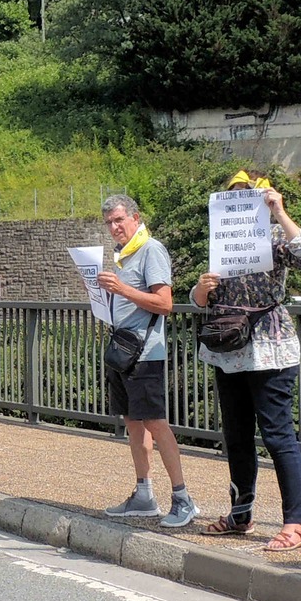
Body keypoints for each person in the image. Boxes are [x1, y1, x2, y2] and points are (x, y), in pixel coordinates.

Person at [189, 175, 301, 550]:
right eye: (232, 200)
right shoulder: (222, 247)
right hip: (228, 350)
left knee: (278, 436)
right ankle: (241, 513)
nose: (238, 205)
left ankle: (296, 524)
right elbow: (199, 301)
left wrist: (279, 212)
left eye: (245, 199)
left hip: (270, 347)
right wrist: (202, 289)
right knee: (237, 436)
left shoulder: (275, 242)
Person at [96, 194, 195, 528]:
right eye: (109, 222)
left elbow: (165, 303)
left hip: (146, 352)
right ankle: (144, 495)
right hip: (126, 349)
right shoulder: (125, 255)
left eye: (119, 220)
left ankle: (182, 498)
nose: (114, 227)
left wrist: (122, 290)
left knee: (154, 421)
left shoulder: (151, 249)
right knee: (133, 422)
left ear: (135, 218)